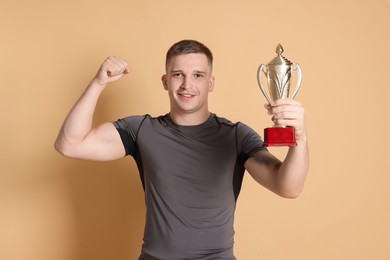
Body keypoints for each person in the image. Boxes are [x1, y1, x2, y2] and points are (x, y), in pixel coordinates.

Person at [54, 39, 309, 260]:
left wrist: (300, 136)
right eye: (178, 74)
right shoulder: (141, 130)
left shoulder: (235, 136)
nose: (187, 84)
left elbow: (288, 187)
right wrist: (98, 83)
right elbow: (70, 144)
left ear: (211, 83)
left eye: (198, 75)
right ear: (166, 81)